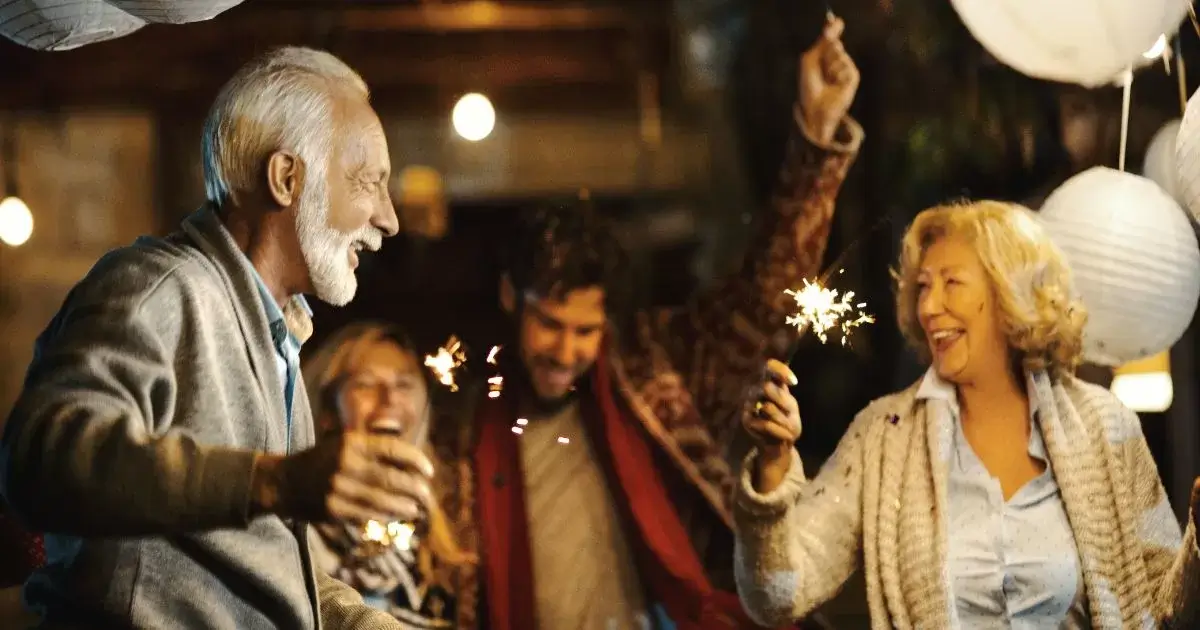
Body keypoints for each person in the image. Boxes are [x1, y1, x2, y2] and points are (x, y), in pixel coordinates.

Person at [422, 16, 862, 630]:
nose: (565, 349)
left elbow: (765, 297)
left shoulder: (656, 375)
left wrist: (814, 139)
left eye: (585, 330)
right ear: (509, 297)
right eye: (549, 323)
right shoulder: (462, 431)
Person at [0, 47, 435, 629]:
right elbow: (38, 464)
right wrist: (272, 481)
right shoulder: (162, 290)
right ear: (287, 179)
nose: (389, 218)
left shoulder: (279, 335)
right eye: (369, 183)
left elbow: (271, 574)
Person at [735, 200, 1200, 628]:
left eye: (951, 283)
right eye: (922, 287)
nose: (929, 307)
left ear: (1009, 293)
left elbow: (1166, 609)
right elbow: (776, 595)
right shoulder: (882, 438)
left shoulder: (1104, 426)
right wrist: (774, 465)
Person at [303, 322, 476, 627]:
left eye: (404, 385)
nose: (390, 399)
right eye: (365, 384)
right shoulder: (303, 517)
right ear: (329, 410)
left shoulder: (458, 506)